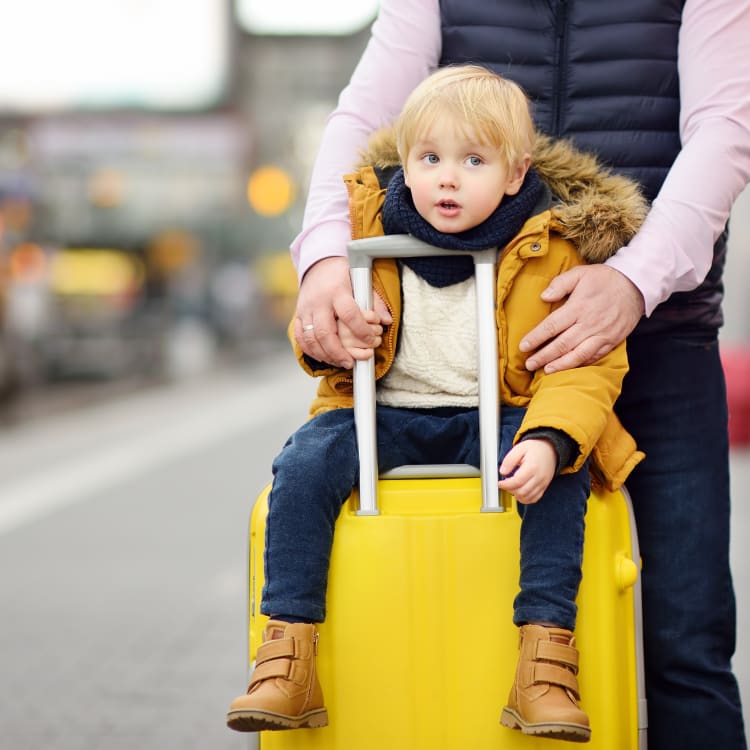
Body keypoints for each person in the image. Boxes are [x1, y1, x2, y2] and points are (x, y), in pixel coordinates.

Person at [289, 3, 750, 748]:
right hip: (477, 353)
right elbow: (361, 118)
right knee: (468, 617)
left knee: (687, 641)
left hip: (661, 337)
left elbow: (725, 130)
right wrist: (322, 258)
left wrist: (633, 280)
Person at [227, 65, 646, 742]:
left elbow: (587, 366)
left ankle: (543, 662)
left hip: (502, 413)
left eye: (472, 161)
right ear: (406, 163)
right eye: (430, 159)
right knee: (305, 462)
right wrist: (339, 340)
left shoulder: (555, 247)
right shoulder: (366, 231)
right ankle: (288, 651)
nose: (446, 178)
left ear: (515, 174)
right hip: (388, 415)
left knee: (561, 476)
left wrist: (550, 437)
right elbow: (314, 327)